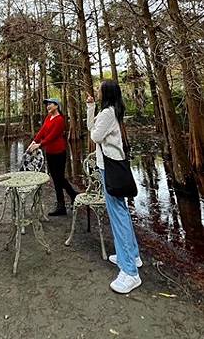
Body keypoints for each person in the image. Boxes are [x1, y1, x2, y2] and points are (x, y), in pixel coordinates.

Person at [87, 80, 142, 294]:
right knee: (121, 212)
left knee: (118, 216)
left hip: (110, 167)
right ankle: (132, 256)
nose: (97, 91)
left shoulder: (109, 113)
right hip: (110, 166)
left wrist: (96, 116)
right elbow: (92, 128)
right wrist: (91, 107)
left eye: (99, 89)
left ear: (107, 92)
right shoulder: (109, 111)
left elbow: (94, 136)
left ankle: (129, 272)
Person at [28, 97, 78, 216]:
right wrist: (34, 141)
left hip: (59, 152)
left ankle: (67, 200)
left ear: (57, 106)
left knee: (59, 178)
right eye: (47, 104)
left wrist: (40, 145)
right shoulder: (48, 117)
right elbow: (43, 131)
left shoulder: (60, 119)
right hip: (49, 152)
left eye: (51, 104)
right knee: (56, 178)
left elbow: (53, 136)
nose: (48, 106)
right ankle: (67, 200)